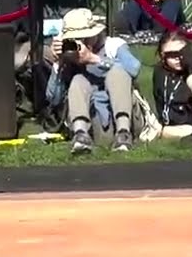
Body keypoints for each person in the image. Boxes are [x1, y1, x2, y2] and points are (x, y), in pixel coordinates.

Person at [47, 8, 141, 154]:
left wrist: (93, 59)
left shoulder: (113, 45)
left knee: (117, 72)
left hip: (122, 115)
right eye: (76, 39)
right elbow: (54, 99)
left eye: (85, 37)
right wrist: (58, 63)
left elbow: (134, 68)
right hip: (93, 119)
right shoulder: (69, 55)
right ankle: (81, 136)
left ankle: (124, 134)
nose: (81, 42)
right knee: (79, 79)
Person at [152, 32, 192, 139]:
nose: (177, 58)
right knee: (182, 130)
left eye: (182, 53)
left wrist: (187, 57)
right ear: (162, 55)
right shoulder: (160, 72)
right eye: (171, 55)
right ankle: (165, 131)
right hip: (171, 124)